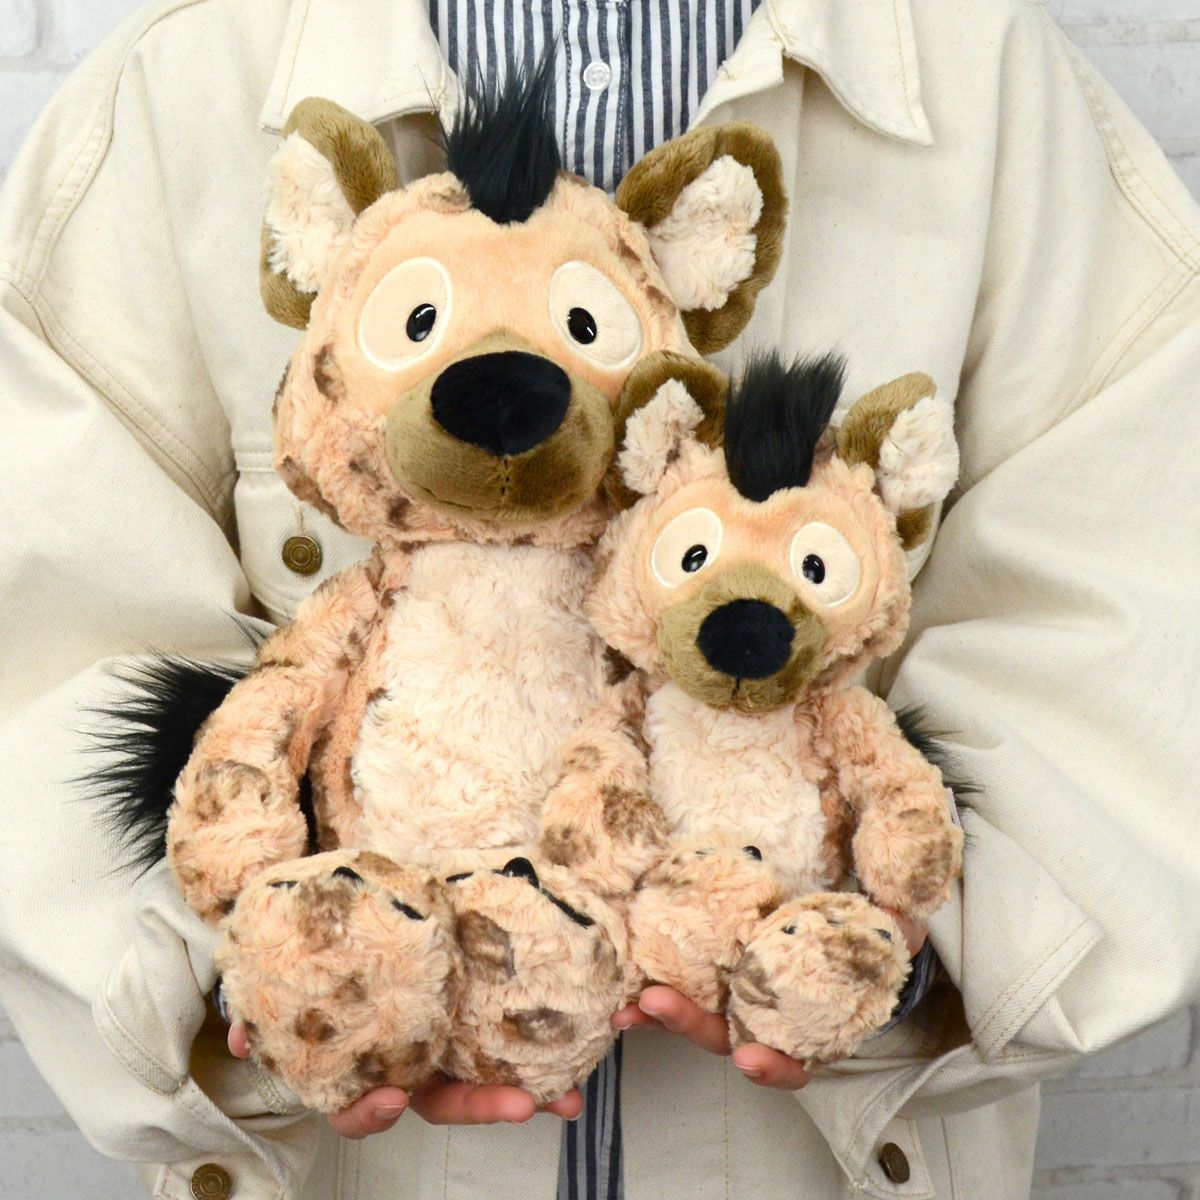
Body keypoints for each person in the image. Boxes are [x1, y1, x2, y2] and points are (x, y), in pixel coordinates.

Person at [1, 1, 1197, 1198]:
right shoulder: (180, 86)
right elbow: (46, 641)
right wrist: (279, 977)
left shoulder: (993, 87)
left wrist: (891, 949)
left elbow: (1138, 619)